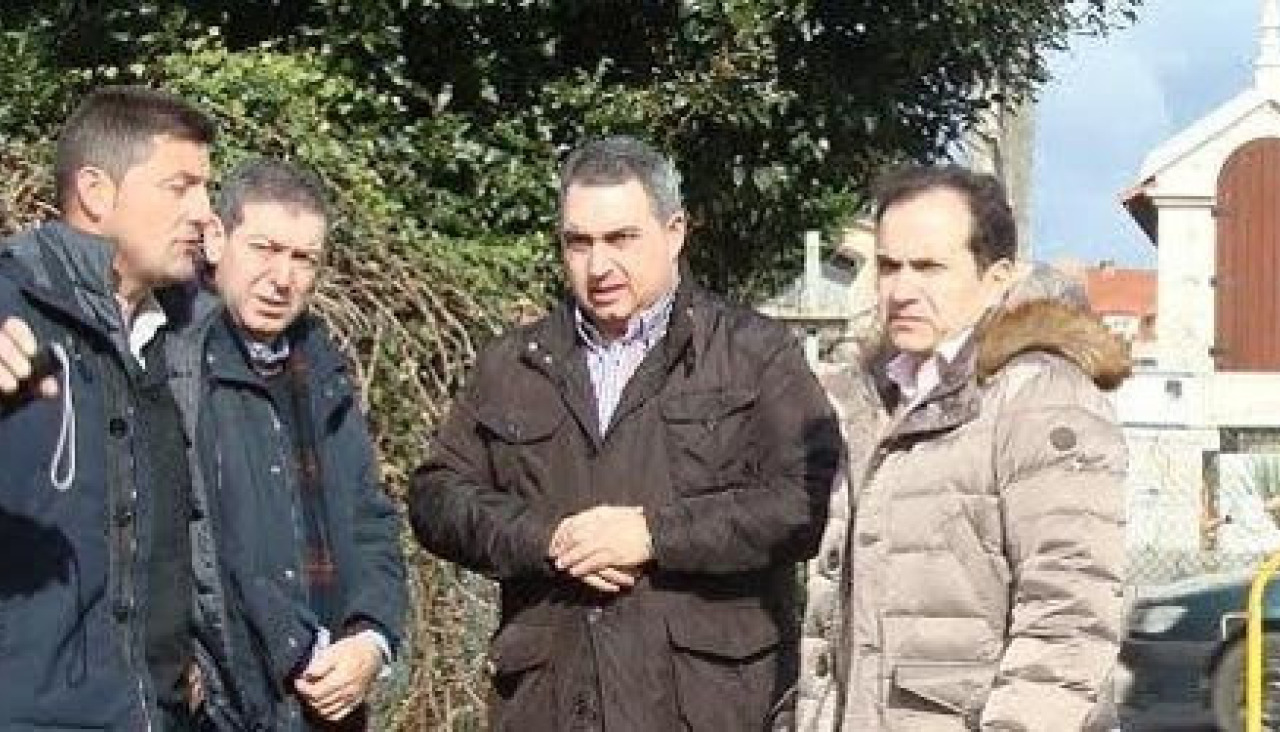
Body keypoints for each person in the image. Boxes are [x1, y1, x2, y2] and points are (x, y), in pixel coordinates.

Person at [407, 135, 842, 731]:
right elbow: (436, 497)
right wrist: (545, 539)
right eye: (579, 243)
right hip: (550, 704)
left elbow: (808, 501)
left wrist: (655, 535)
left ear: (675, 231)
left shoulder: (754, 355)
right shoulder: (513, 365)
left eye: (621, 239)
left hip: (707, 708)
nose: (599, 266)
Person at [792, 165, 1129, 731]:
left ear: (997, 278)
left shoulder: (1041, 397)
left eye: (928, 267)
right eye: (889, 266)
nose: (901, 290)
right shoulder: (875, 399)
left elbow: (1068, 618)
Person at [0, 85, 216, 729]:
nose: (205, 213)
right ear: (96, 192)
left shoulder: (183, 339)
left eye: (206, 189)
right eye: (179, 188)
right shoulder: (10, 311)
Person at [187, 159, 407, 730]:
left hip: (330, 701)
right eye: (264, 248)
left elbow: (369, 519)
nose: (282, 278)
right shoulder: (177, 366)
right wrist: (300, 648)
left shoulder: (321, 367)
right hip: (225, 705)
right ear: (217, 240)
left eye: (303, 258)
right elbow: (203, 547)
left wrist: (371, 639)